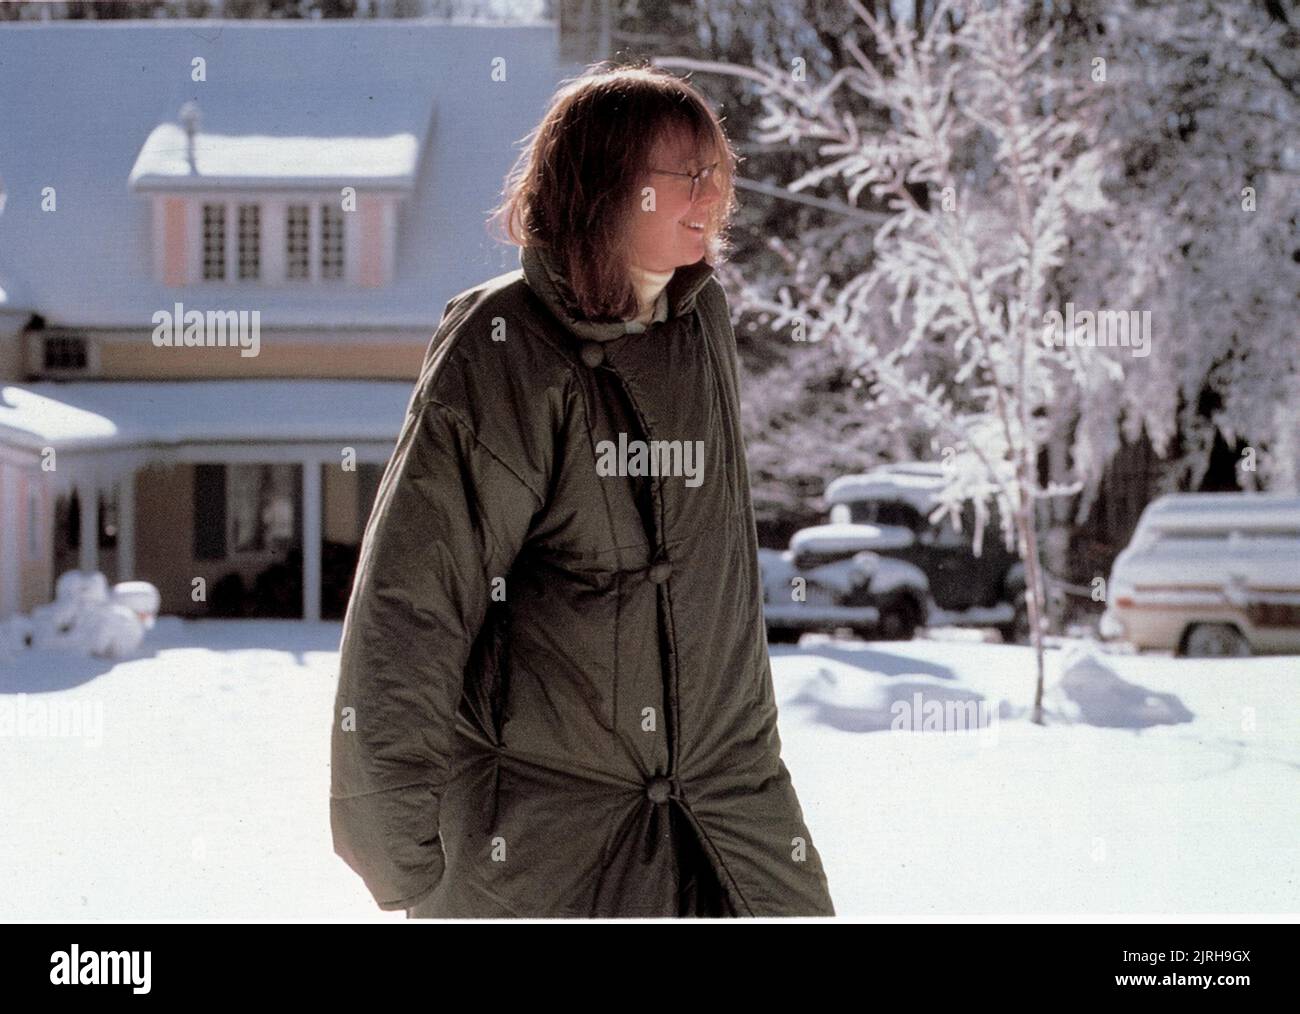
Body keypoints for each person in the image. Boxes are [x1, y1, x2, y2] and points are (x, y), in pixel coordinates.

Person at [329, 62, 835, 919]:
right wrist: (389, 825)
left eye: (720, 171)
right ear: (604, 187)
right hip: (544, 844)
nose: (713, 194)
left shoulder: (699, 320)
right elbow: (416, 596)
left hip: (728, 823)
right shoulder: (502, 342)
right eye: (686, 174)